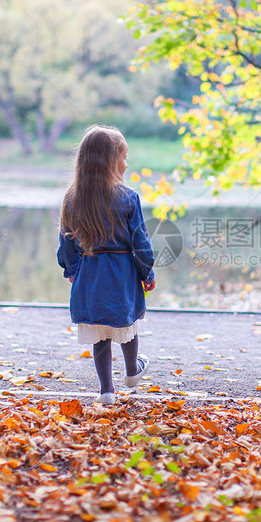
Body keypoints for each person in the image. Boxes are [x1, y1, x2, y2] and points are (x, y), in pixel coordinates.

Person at [57, 124, 156, 405]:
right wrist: (146, 271)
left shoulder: (72, 199)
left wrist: (72, 270)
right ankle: (132, 370)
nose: (126, 164)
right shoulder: (128, 198)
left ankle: (106, 391)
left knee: (100, 331)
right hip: (122, 271)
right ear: (112, 161)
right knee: (128, 324)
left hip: (90, 272)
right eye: (124, 157)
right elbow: (141, 241)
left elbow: (66, 243)